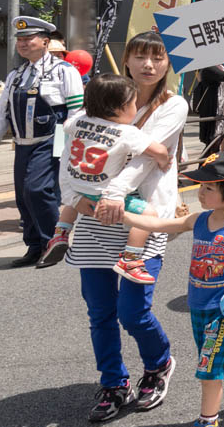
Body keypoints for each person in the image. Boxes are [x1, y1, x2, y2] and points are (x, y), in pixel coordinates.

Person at [66, 30, 185, 422]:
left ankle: (158, 363)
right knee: (99, 310)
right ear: (128, 59)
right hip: (95, 216)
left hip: (142, 216)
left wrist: (114, 195)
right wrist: (76, 198)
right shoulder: (104, 96)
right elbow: (72, 149)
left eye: (158, 57)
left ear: (169, 63)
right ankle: (113, 382)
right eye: (140, 57)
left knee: (133, 311)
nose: (149, 65)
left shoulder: (174, 105)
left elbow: (145, 159)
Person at [124, 151, 224, 427]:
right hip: (198, 306)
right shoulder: (199, 220)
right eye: (200, 187)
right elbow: (161, 226)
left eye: (209, 188)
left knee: (208, 367)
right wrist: (122, 216)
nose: (201, 193)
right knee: (212, 356)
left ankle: (207, 426)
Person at [36, 74, 172, 279]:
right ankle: (131, 259)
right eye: (133, 103)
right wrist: (163, 160)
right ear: (120, 108)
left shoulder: (78, 121)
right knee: (148, 215)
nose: (135, 109)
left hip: (77, 187)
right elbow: (159, 151)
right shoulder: (125, 132)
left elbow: (67, 124)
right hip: (104, 195)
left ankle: (60, 234)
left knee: (71, 204)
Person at [0, 17, 82, 264]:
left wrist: (67, 147)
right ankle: (34, 246)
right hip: (22, 143)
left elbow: (76, 111)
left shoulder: (64, 71)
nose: (23, 44)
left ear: (45, 42)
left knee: (37, 190)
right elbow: (1, 112)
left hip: (52, 139)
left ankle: (53, 242)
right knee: (23, 197)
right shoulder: (16, 74)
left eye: (29, 39)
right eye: (20, 40)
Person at [192, 62, 224, 157]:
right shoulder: (207, 67)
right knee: (213, 146)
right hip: (215, 112)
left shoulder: (223, 66)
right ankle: (204, 169)